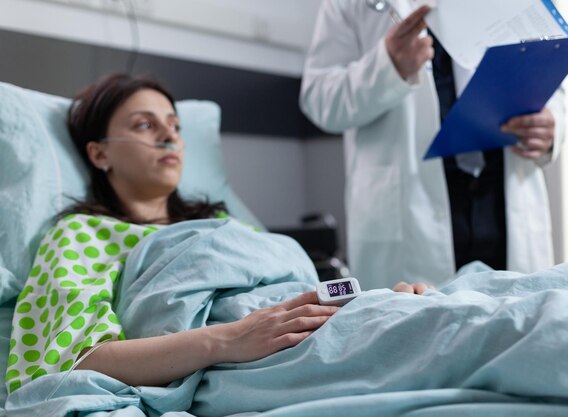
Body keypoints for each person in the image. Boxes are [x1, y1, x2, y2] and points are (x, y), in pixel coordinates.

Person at [5, 74, 428, 394]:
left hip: (320, 331)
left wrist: (372, 301)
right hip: (265, 359)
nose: (170, 134)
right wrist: (227, 340)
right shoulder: (83, 234)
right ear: (99, 154)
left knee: (443, 308)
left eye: (173, 124)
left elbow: (296, 299)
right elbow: (70, 361)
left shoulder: (228, 226)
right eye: (144, 125)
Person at [300, 1, 565, 290]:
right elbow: (318, 100)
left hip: (504, 204)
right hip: (411, 217)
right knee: (419, 331)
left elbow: (550, 76)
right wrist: (387, 65)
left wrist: (551, 126)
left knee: (520, 322)